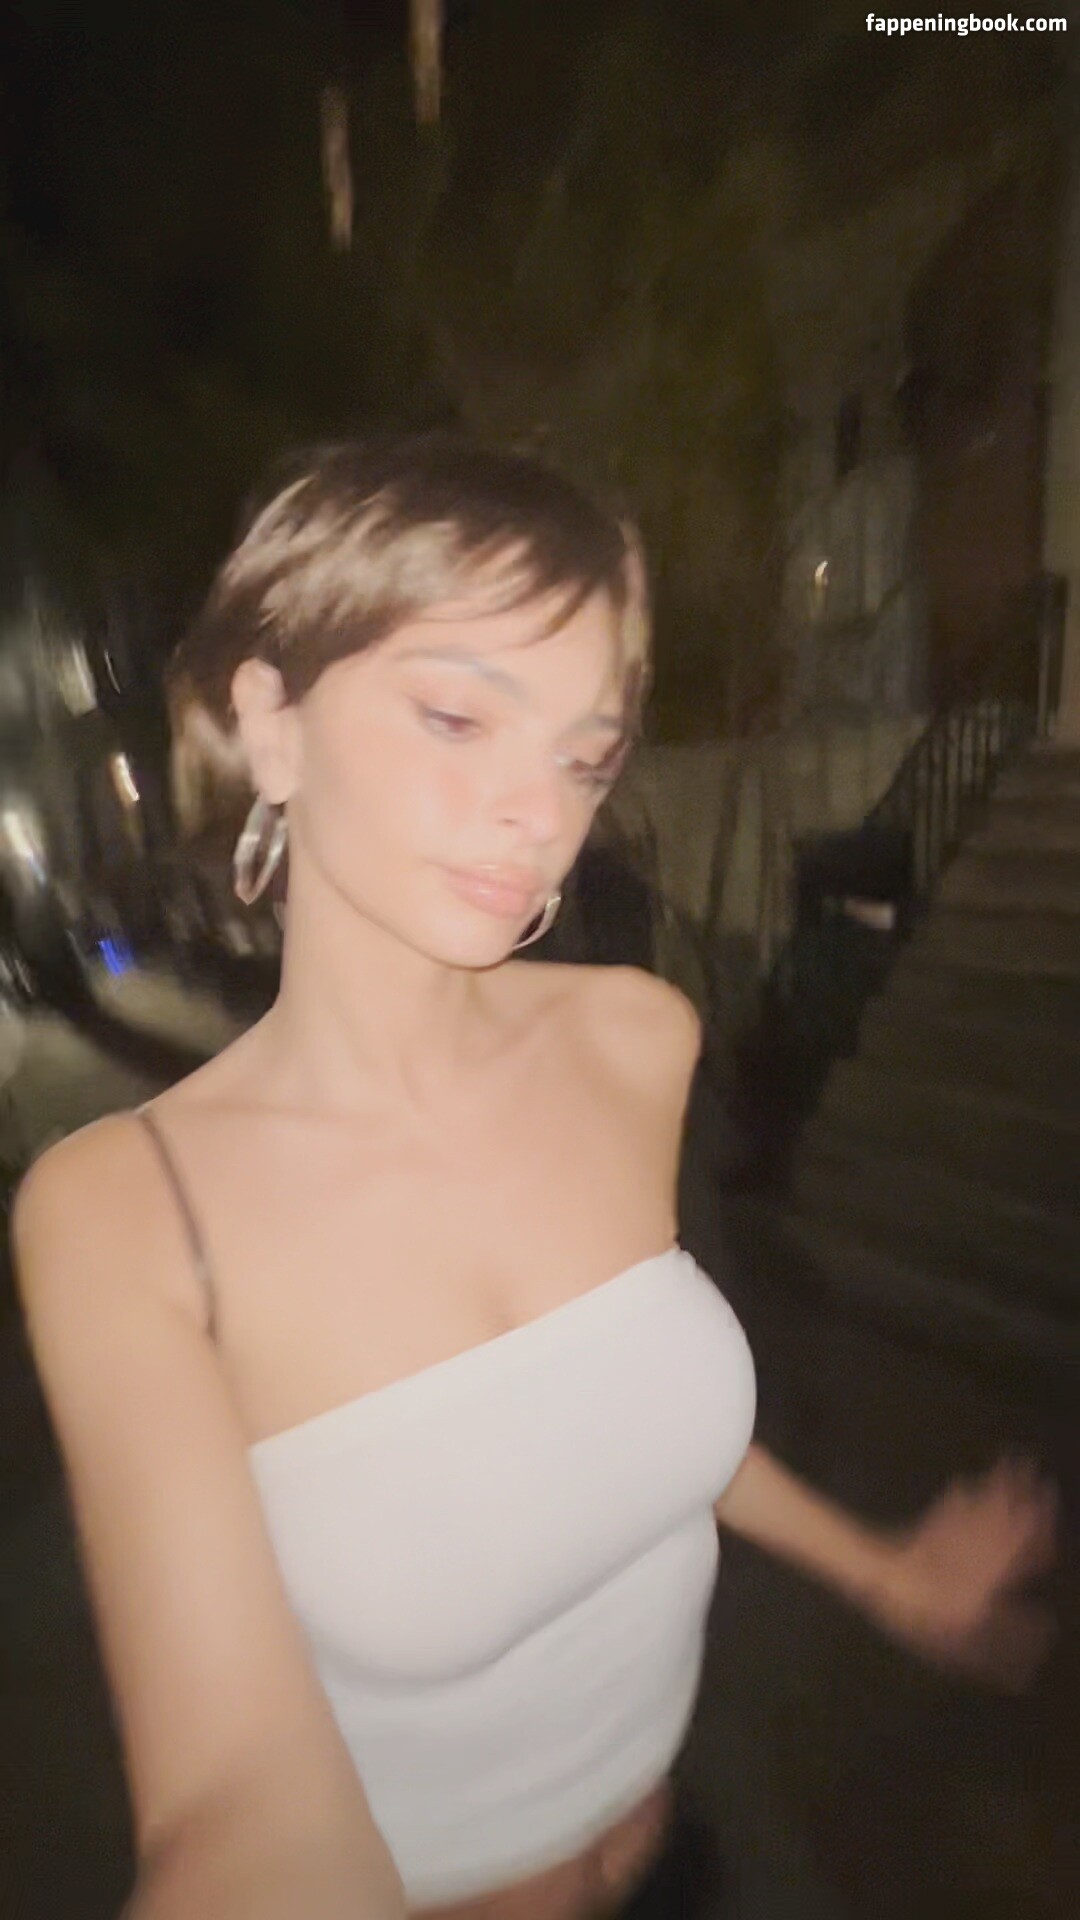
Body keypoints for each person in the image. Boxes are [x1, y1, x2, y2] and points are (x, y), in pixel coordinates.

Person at [13, 437, 1056, 1920]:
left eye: (585, 753)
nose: (542, 814)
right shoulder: (126, 1212)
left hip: (690, 1863)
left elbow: (620, 1418)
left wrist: (882, 1573)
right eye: (457, 716)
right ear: (272, 724)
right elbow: (235, 1799)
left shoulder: (635, 1039)